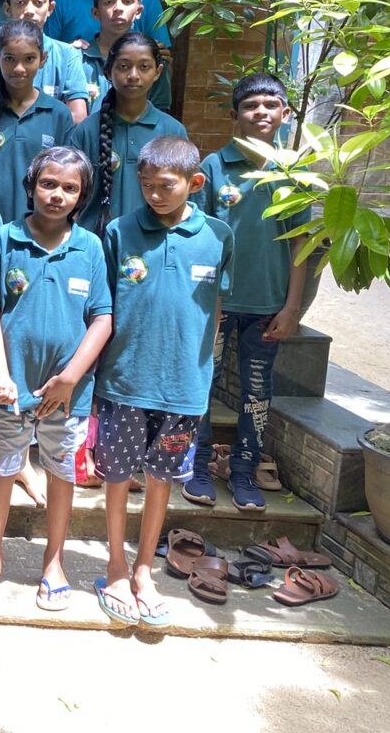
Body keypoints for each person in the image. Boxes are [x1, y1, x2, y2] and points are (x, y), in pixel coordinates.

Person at [94, 135, 232, 626]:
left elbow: (215, 309)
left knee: (161, 479)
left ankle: (144, 568)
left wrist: (199, 370)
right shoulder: (118, 232)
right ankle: (113, 566)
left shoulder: (218, 236)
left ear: (194, 183)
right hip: (125, 380)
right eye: (147, 185)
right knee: (115, 476)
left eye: (167, 186)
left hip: (185, 388)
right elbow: (104, 307)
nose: (155, 194)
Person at [0, 147, 112, 611]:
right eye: (48, 184)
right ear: (31, 185)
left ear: (82, 196)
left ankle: (54, 561)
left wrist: (70, 378)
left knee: (61, 473)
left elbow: (102, 319)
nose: (57, 195)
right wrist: (3, 375)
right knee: (2, 469)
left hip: (67, 398)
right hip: (10, 394)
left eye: (70, 188)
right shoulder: (4, 240)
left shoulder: (89, 247)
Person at [184, 73, 308, 512]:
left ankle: (244, 469)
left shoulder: (293, 174)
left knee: (257, 393)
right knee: (201, 385)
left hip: (268, 306)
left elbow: (301, 244)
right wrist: (205, 302)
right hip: (216, 305)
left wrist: (292, 306)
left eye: (270, 105)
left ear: (284, 114)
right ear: (234, 114)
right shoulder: (215, 167)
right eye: (251, 105)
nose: (260, 112)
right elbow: (200, 236)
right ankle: (195, 464)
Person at [70, 32, 186, 232]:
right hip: (97, 244)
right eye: (124, 66)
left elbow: (182, 197)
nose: (133, 75)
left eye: (144, 67)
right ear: (108, 71)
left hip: (153, 243)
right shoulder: (86, 131)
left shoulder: (172, 131)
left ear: (158, 72)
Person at [0, 18, 76, 222]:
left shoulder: (58, 114)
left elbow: (66, 178)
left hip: (38, 228)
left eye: (29, 59)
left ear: (43, 59)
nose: (18, 68)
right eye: (9, 59)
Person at [82, 0, 172, 111]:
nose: (118, 8)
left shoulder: (152, 59)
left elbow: (160, 112)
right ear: (95, 12)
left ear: (138, 11)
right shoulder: (77, 58)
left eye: (127, 1)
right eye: (109, 2)